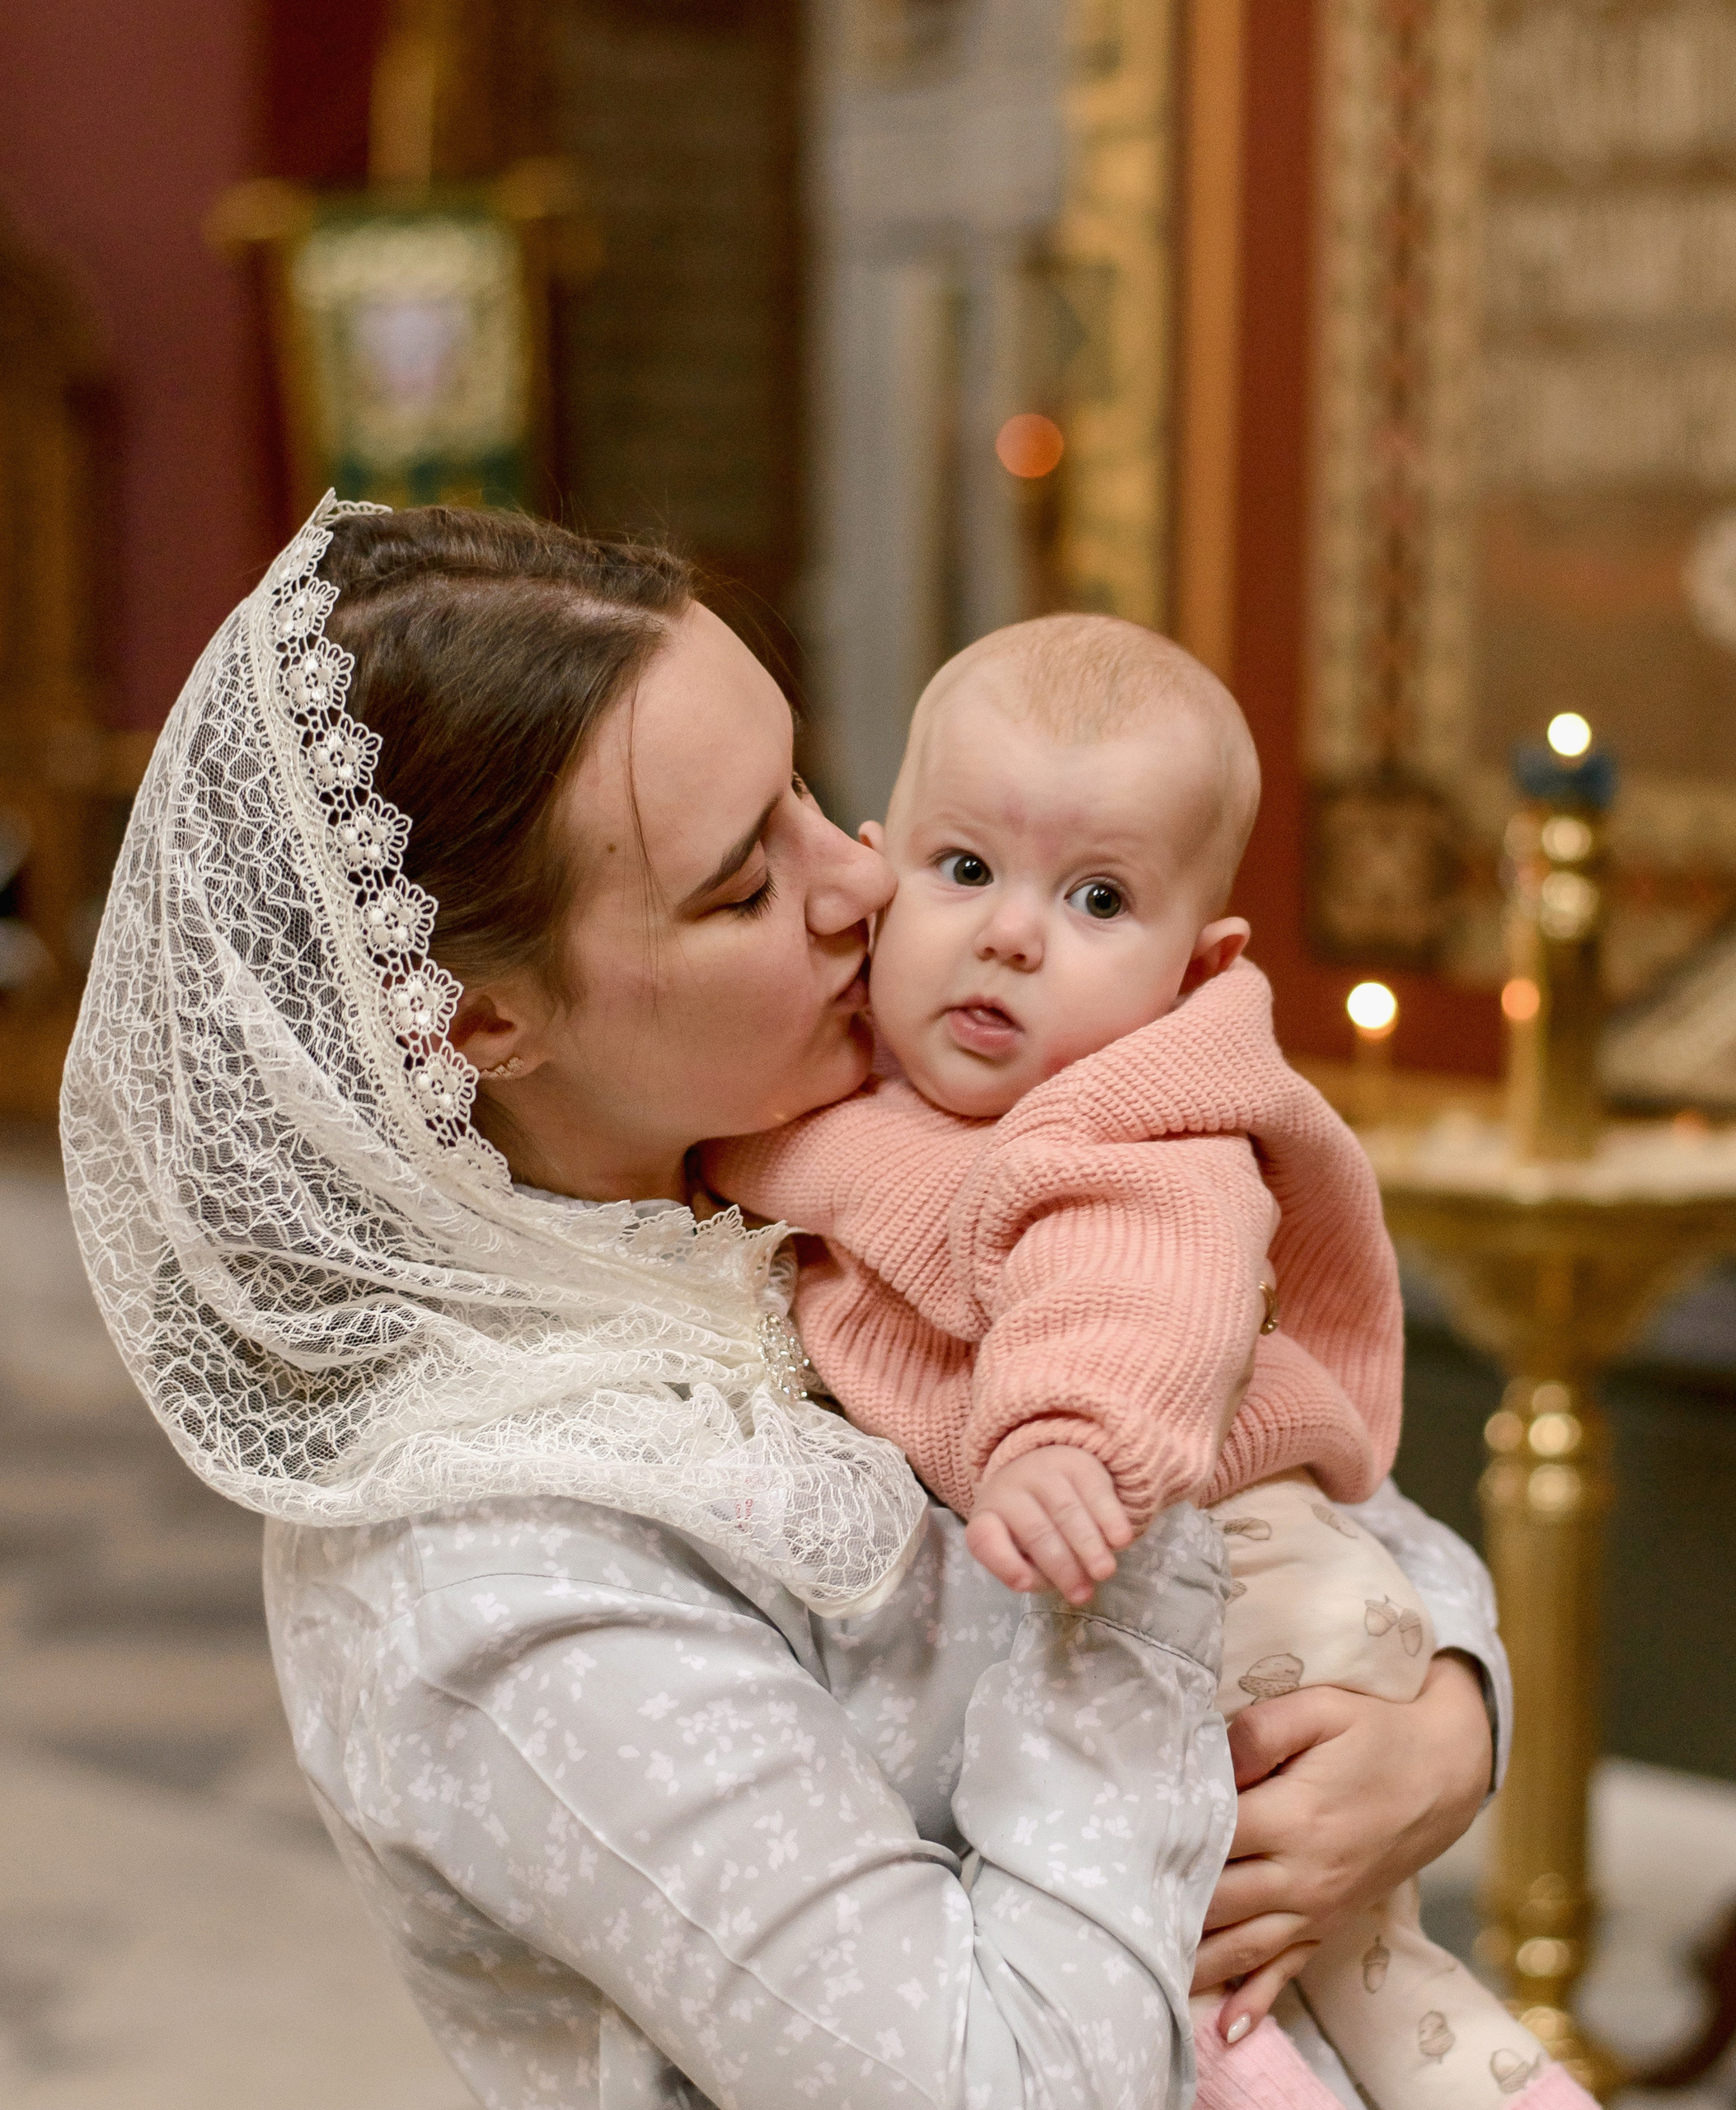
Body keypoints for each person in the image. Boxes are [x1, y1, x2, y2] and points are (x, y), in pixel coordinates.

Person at [61, 499, 1512, 2109]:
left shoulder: (809, 1139)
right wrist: (1129, 1540)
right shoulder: (495, 1574)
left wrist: (1443, 1716)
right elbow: (1011, 2087)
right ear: (480, 1023)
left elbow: (1299, 1460)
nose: (866, 877)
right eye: (747, 879)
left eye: (810, 790)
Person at [711, 617, 1583, 2110]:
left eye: (1098, 898)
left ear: (1197, 967)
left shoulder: (1138, 1125)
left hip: (1237, 1578)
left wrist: (1065, 1437)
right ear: (880, 869)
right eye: (965, 867)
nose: (1011, 934)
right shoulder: (870, 1090)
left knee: (1194, 1944)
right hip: (1231, 1578)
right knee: (1374, 1982)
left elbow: (1135, 1292)